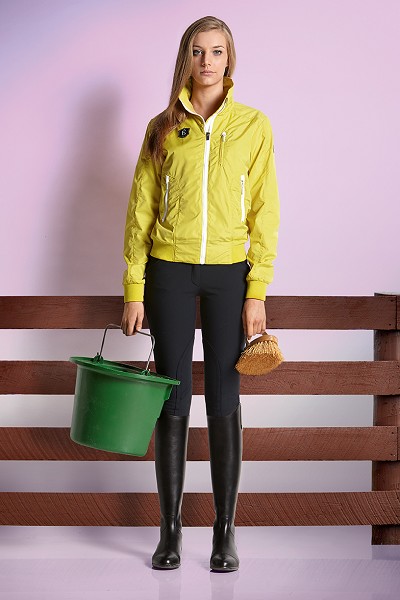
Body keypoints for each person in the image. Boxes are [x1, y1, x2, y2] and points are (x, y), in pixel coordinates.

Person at [121, 15, 280, 572]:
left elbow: (265, 211)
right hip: (168, 270)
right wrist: (134, 287)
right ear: (185, 59)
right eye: (197, 51)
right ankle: (170, 532)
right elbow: (140, 210)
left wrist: (257, 290)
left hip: (228, 274)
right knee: (173, 396)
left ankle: (224, 532)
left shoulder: (253, 125)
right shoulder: (162, 126)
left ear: (229, 58)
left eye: (216, 51)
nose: (207, 61)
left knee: (223, 396)